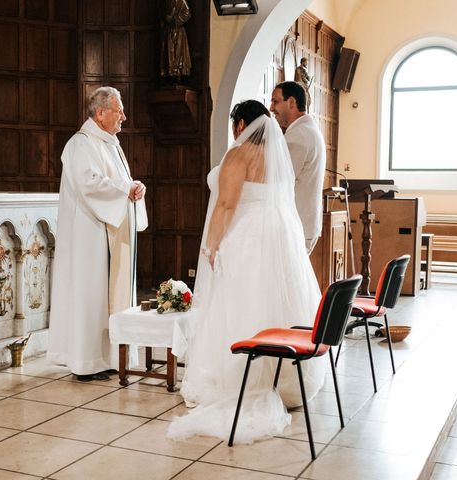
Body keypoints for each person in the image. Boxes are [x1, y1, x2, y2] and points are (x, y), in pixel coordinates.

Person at [168, 100, 325, 443]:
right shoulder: (276, 156)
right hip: (278, 238)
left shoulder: (238, 156)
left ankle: (244, 378)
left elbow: (225, 205)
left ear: (240, 125)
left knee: (240, 304)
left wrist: (210, 245)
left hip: (247, 237)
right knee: (274, 302)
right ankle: (284, 380)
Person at [47, 87, 148, 382]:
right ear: (101, 113)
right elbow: (89, 183)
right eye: (119, 111)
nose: (124, 117)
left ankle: (107, 357)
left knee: (106, 295)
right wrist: (123, 190)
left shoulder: (109, 143)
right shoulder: (81, 144)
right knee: (90, 296)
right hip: (88, 234)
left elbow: (118, 182)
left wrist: (133, 187)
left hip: (108, 229)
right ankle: (85, 362)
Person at [270, 81, 326, 254]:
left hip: (296, 225)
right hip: (305, 222)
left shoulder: (298, 136)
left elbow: (280, 182)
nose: (271, 108)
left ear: (292, 102)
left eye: (275, 101)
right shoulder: (308, 129)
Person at [160, 0, 192, 81]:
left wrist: (175, 19)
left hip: (178, 30)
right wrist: (166, 18)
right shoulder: (166, 2)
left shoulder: (182, 1)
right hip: (169, 30)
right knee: (169, 52)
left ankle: (178, 73)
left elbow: (187, 13)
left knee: (179, 52)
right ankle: (170, 73)